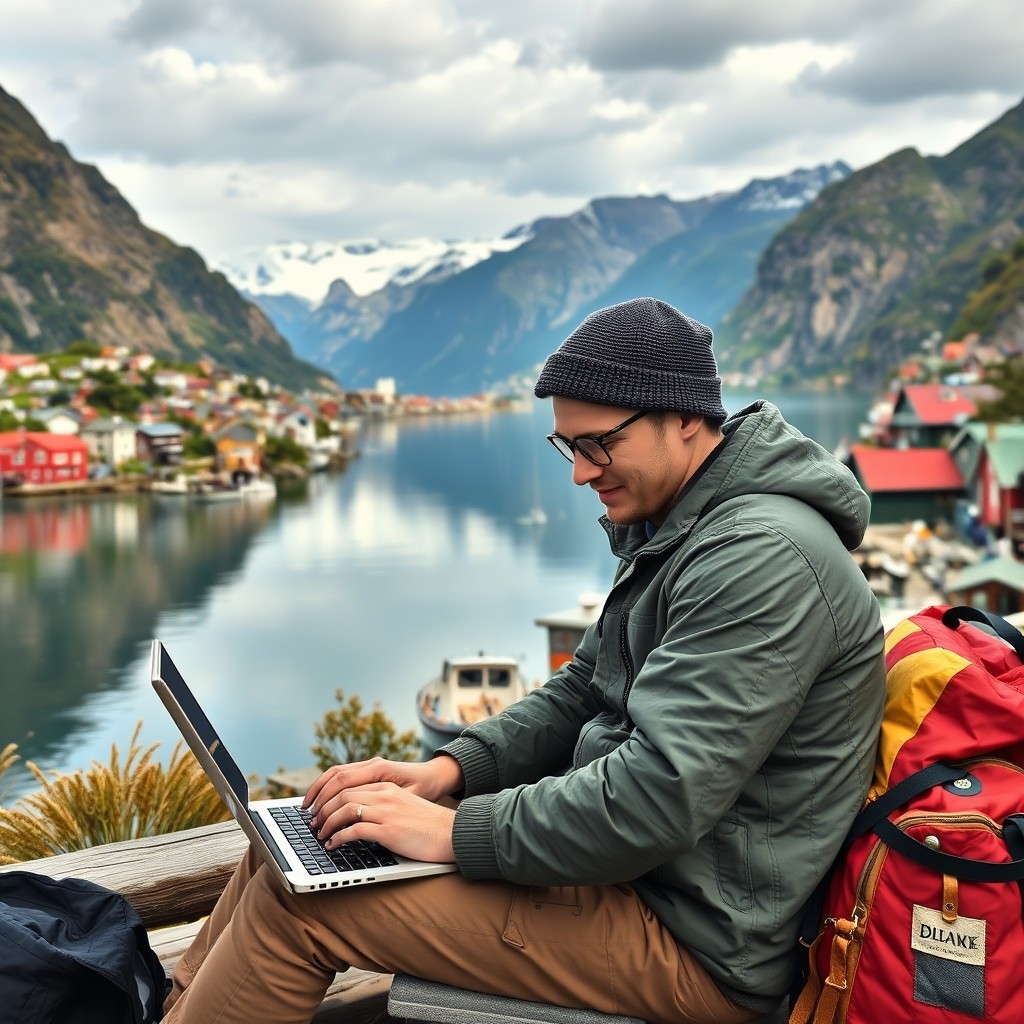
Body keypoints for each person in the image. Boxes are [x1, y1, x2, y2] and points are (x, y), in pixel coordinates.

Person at [162, 297, 886, 1024]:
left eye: (597, 444)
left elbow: (657, 797)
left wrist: (448, 830)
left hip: (697, 945)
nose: (578, 474)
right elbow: (582, 689)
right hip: (632, 881)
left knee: (300, 907)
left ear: (687, 418)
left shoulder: (763, 559)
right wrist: (445, 770)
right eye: (566, 446)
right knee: (299, 842)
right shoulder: (688, 524)